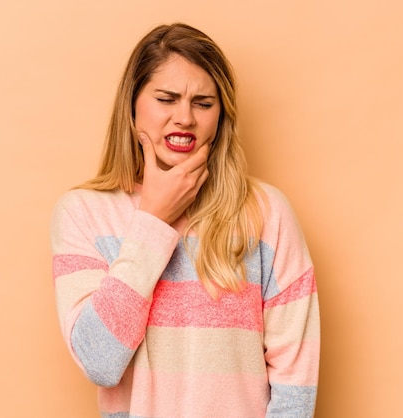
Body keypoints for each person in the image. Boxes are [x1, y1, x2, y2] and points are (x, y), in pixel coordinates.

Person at [50, 22, 320, 417]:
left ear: (221, 115)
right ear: (133, 105)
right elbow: (100, 362)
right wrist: (154, 220)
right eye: (166, 99)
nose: (185, 118)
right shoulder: (84, 213)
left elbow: (296, 382)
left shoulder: (267, 212)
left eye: (203, 103)